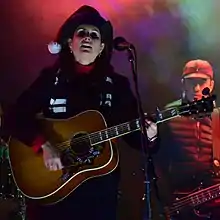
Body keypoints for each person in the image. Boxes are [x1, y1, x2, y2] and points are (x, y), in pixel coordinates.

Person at [2, 5, 157, 220]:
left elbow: (135, 136)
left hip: (98, 197)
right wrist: (43, 144)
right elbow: (13, 118)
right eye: (81, 33)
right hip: (53, 195)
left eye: (94, 35)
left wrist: (150, 135)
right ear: (69, 42)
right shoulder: (49, 79)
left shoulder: (117, 86)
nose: (87, 38)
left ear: (102, 47)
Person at [154, 59, 220, 219]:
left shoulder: (217, 118)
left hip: (211, 204)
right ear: (183, 84)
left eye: (201, 82)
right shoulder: (167, 115)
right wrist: (163, 199)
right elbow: (155, 161)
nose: (196, 88)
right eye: (191, 82)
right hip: (176, 203)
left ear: (211, 84)